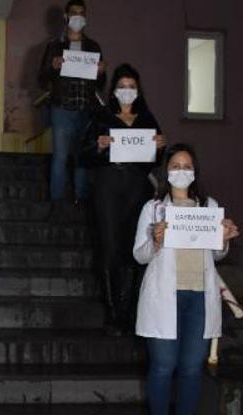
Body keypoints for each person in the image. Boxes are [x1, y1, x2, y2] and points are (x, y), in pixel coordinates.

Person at [133, 143, 240, 415]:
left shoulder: (210, 207)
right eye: (176, 166)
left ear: (195, 172)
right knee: (163, 366)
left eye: (187, 166)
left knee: (192, 368)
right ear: (166, 171)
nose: (182, 171)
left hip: (200, 298)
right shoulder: (153, 208)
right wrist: (155, 241)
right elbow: (139, 255)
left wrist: (224, 241)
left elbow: (215, 255)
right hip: (163, 297)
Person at [83, 63, 167, 335]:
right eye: (122, 86)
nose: (127, 91)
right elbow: (82, 155)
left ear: (138, 90)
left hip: (136, 186)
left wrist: (161, 148)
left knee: (133, 246)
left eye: (132, 87)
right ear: (114, 90)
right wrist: (98, 145)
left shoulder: (147, 118)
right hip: (108, 184)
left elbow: (155, 161)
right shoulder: (101, 116)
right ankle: (111, 311)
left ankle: (127, 309)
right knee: (108, 245)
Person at [38, 0, 106, 213]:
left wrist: (102, 72)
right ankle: (56, 201)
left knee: (82, 157)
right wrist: (53, 66)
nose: (78, 17)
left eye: (82, 13)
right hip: (61, 108)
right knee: (60, 156)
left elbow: (100, 85)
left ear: (86, 18)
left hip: (86, 109)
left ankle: (80, 199)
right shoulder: (54, 46)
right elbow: (41, 79)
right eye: (74, 13)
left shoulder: (93, 47)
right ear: (66, 16)